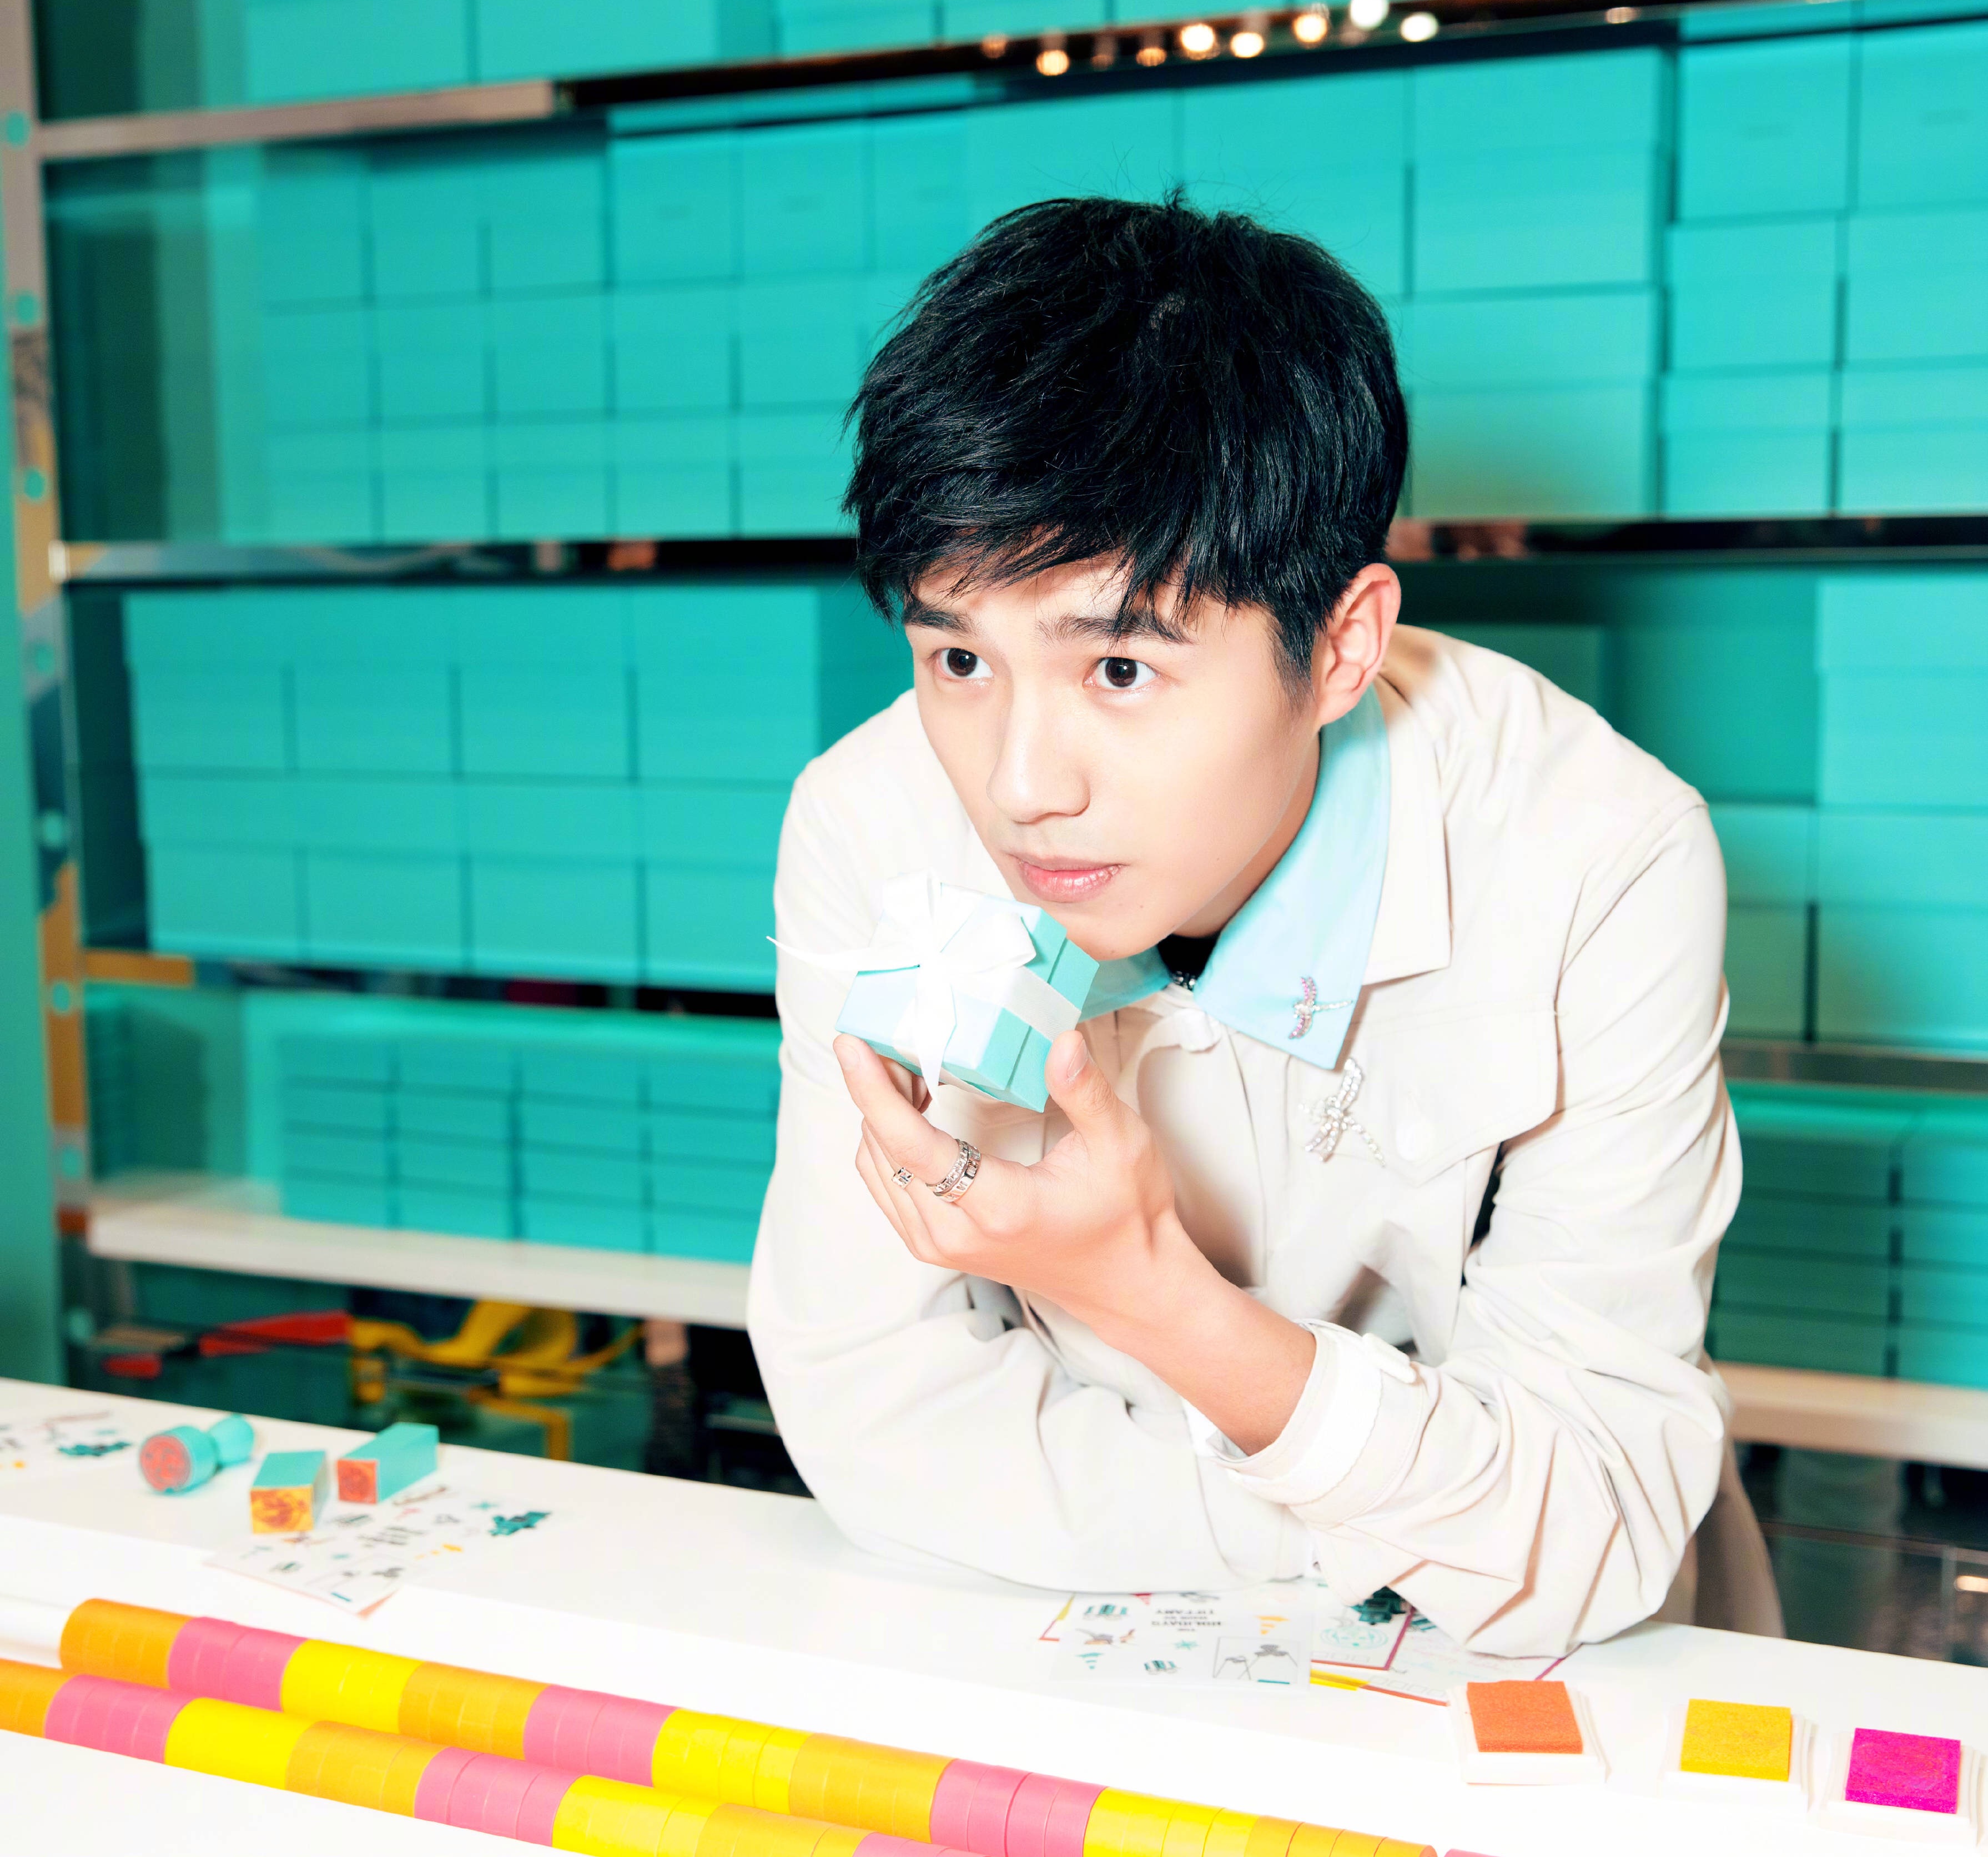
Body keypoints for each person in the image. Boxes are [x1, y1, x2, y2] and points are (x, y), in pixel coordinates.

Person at [747, 190, 1780, 1654]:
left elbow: (1587, 1524)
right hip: (1099, 1651)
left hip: (1556, 1685)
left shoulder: (1597, 856)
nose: (1020, 786)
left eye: (1119, 670)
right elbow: (872, 1411)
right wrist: (1392, 1523)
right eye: (959, 657)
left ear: (1343, 645)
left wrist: (1153, 1298)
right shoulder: (869, 821)